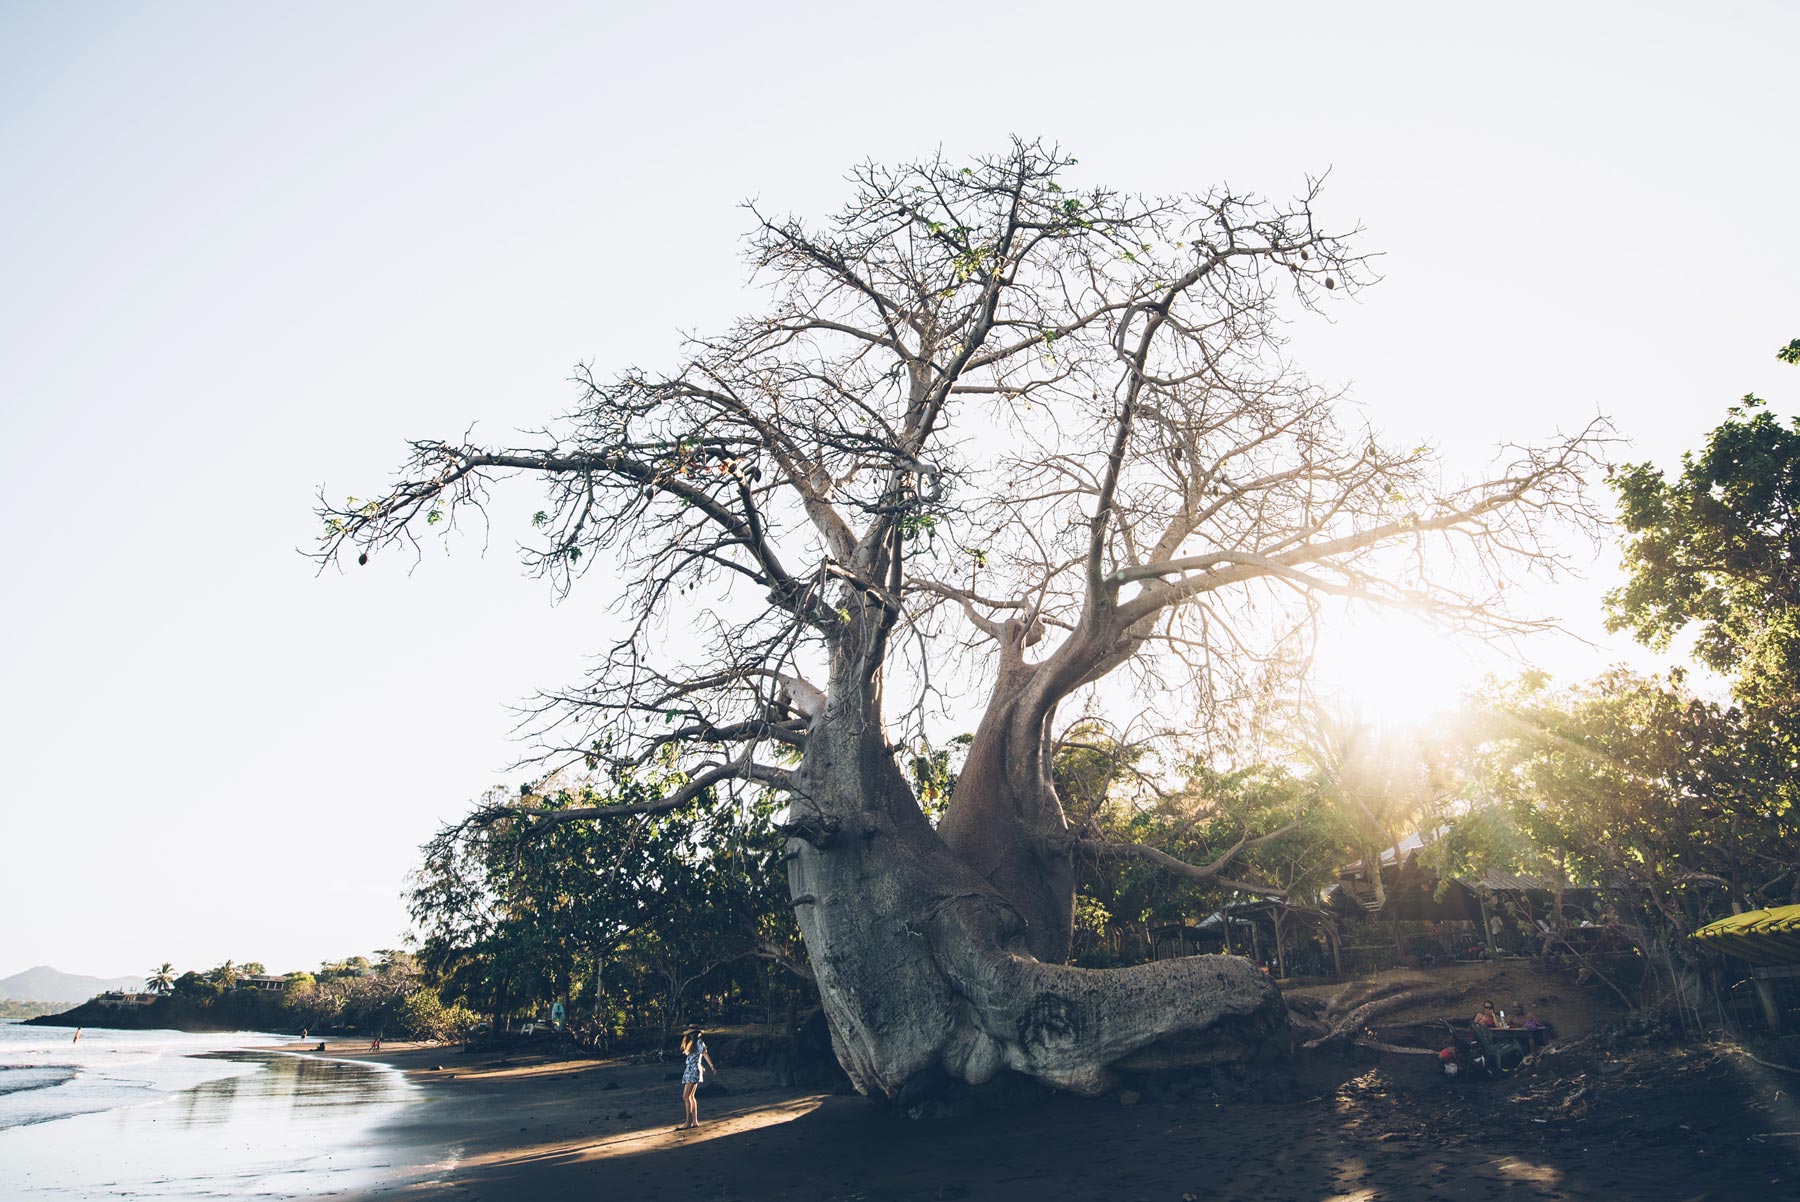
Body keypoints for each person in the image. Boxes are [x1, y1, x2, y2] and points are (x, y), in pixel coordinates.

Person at [677, 1026, 716, 1131]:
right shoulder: (693, 1043)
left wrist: (711, 1066)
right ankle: (694, 1121)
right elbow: (699, 1056)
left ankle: (688, 1122)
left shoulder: (698, 1042)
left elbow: (705, 1054)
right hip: (692, 1069)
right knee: (691, 1096)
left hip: (692, 1070)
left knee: (686, 1097)